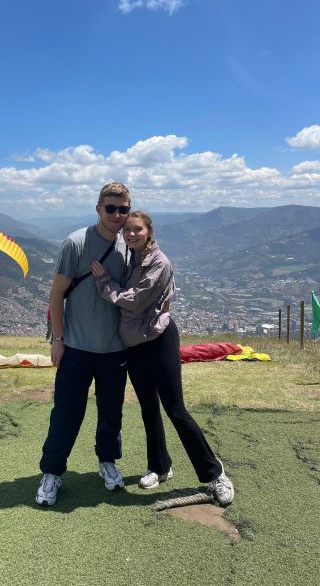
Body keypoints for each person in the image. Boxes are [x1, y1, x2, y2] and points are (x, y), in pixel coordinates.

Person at [91, 211, 234, 505]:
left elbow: (135, 301)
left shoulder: (159, 262)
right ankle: (159, 466)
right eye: (127, 230)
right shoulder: (132, 258)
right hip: (134, 343)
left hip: (159, 340)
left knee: (175, 409)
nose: (131, 234)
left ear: (149, 231)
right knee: (148, 407)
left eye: (137, 230)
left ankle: (215, 472)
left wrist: (105, 284)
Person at [36, 182, 131, 506]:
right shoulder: (76, 243)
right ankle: (52, 472)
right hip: (76, 347)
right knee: (65, 413)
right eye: (111, 208)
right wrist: (58, 340)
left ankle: (107, 462)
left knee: (111, 413)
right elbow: (57, 294)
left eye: (124, 209)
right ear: (98, 209)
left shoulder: (127, 247)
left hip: (114, 349)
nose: (117, 215)